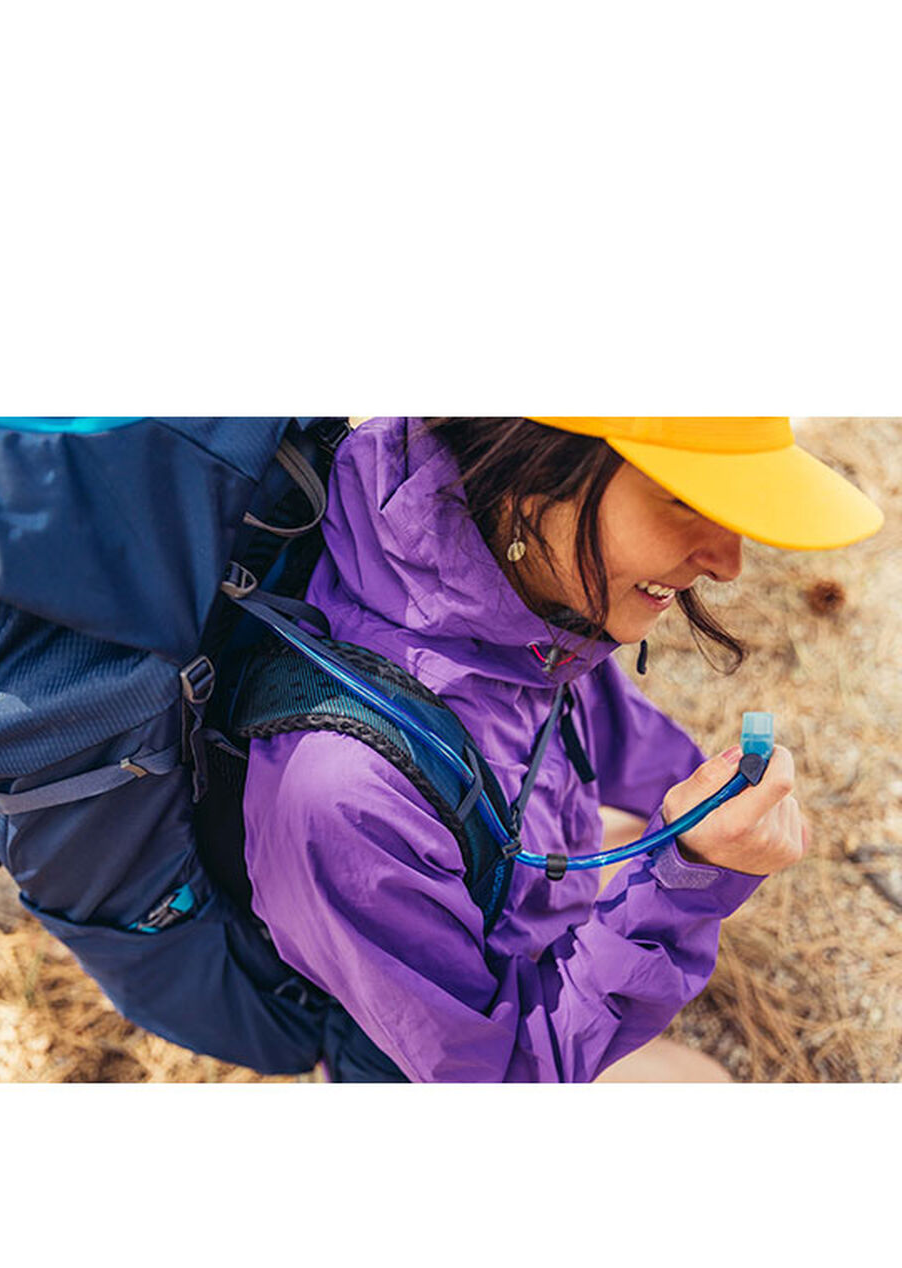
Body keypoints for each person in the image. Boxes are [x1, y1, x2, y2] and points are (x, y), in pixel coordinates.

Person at [237, 417, 883, 1084]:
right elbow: (500, 1077)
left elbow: (605, 731)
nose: (729, 563)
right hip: (425, 1062)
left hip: (505, 919)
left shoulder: (515, 587)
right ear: (535, 471)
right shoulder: (345, 795)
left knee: (627, 837)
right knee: (705, 1086)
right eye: (685, 499)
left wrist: (711, 808)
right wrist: (688, 878)